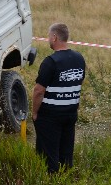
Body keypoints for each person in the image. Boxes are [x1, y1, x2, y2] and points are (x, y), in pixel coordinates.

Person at [32, 22, 86, 174]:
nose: (48, 39)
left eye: (49, 36)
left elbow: (39, 91)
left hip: (50, 115)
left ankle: (51, 183)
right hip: (70, 112)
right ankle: (65, 180)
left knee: (48, 154)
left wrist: (35, 112)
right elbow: (78, 83)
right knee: (66, 152)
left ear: (54, 37)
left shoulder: (51, 62)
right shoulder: (79, 58)